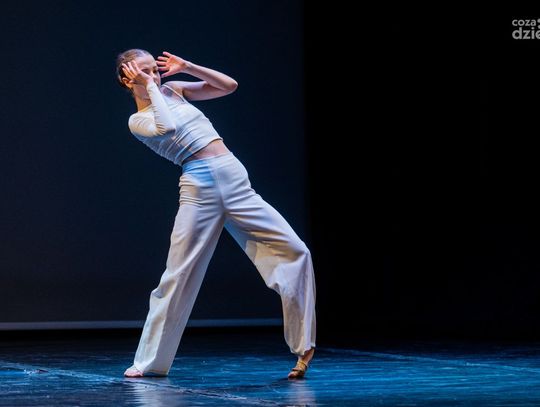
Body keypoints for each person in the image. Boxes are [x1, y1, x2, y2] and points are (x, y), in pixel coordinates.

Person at [115, 49, 316, 379]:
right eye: (145, 71)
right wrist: (150, 86)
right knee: (178, 274)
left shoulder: (174, 89)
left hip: (234, 177)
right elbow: (167, 127)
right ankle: (149, 362)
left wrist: (188, 67)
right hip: (199, 187)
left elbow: (229, 85)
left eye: (156, 69)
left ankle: (304, 345)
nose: (155, 76)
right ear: (127, 79)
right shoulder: (137, 121)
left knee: (296, 252)